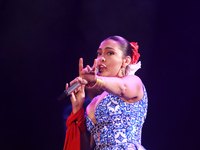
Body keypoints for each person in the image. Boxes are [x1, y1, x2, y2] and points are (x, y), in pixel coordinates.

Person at [63, 35, 148, 150]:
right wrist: (77, 108)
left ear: (126, 61)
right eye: (99, 54)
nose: (101, 58)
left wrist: (95, 80)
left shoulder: (133, 81)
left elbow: (122, 88)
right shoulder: (94, 102)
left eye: (110, 53)